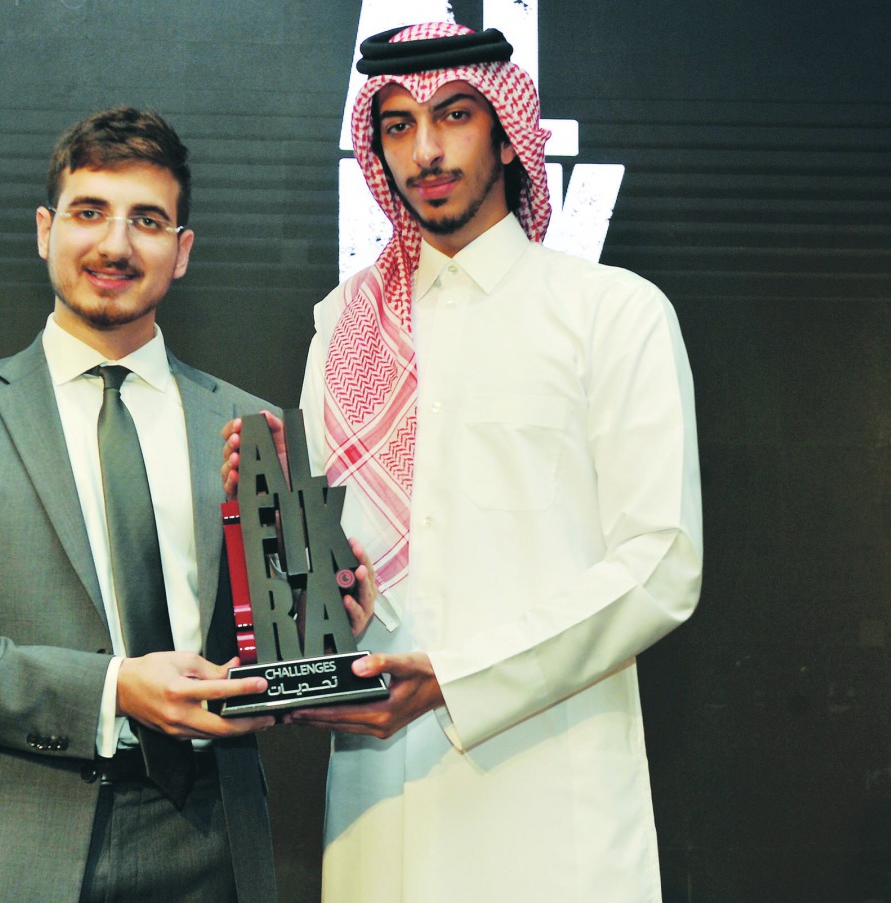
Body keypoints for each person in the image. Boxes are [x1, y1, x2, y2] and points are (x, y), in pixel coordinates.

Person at [224, 21, 703, 902]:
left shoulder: (610, 312)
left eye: (454, 114)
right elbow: (339, 578)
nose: (427, 150)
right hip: (380, 801)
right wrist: (288, 554)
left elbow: (660, 563)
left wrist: (455, 676)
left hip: (548, 794)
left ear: (509, 135)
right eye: (398, 126)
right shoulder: (344, 326)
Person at [0, 106, 280, 903]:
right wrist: (114, 688)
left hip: (214, 847)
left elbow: (277, 649)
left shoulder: (249, 425)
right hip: (8, 844)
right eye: (90, 212)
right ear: (45, 229)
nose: (116, 244)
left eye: (148, 220)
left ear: (182, 251)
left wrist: (332, 605)